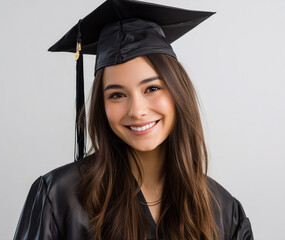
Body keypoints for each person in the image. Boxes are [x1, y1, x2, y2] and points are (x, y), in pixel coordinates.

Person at [14, 0, 254, 239]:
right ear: (101, 105)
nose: (136, 111)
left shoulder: (224, 211)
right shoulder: (58, 197)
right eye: (117, 95)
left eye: (151, 88)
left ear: (177, 91)